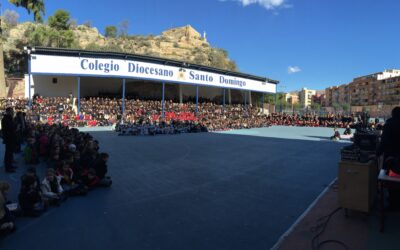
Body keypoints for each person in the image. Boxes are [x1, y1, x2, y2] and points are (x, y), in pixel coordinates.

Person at [378, 107, 400, 210]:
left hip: (392, 161)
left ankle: (393, 204)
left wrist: (377, 154)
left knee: (391, 181)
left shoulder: (389, 125)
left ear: (392, 114)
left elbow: (384, 142)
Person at [1, 107, 17, 173]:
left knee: (10, 153)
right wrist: (16, 127)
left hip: (11, 138)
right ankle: (8, 168)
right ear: (8, 112)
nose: (13, 112)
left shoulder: (9, 118)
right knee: (8, 153)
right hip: (9, 138)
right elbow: (9, 128)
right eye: (11, 111)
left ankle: (10, 165)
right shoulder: (5, 119)